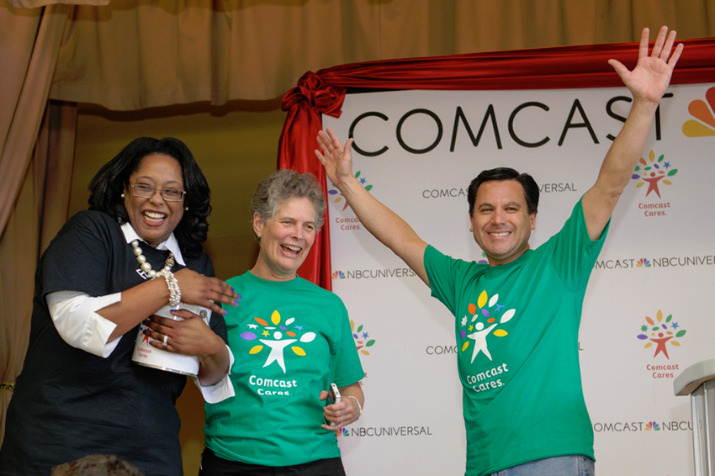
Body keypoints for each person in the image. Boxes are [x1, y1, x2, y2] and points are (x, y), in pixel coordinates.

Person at [315, 26, 682, 476]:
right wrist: (348, 183)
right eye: (485, 209)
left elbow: (609, 185)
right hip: (484, 463)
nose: (498, 218)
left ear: (533, 219)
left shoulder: (559, 263)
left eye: (512, 208)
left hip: (550, 456)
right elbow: (401, 238)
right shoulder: (462, 281)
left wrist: (644, 103)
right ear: (471, 224)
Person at [0, 137, 239, 476]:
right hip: (60, 441)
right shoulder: (92, 232)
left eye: (172, 191)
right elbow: (78, 326)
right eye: (145, 186)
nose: (158, 200)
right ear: (123, 190)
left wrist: (210, 346)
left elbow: (213, 376)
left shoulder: (195, 263)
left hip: (150, 448)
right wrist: (169, 287)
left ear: (186, 202)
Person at [200, 169, 365, 476]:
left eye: (308, 226)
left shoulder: (329, 305)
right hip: (232, 462)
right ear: (259, 224)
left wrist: (351, 407)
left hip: (316, 463)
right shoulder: (219, 297)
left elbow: (351, 388)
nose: (298, 235)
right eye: (287, 222)